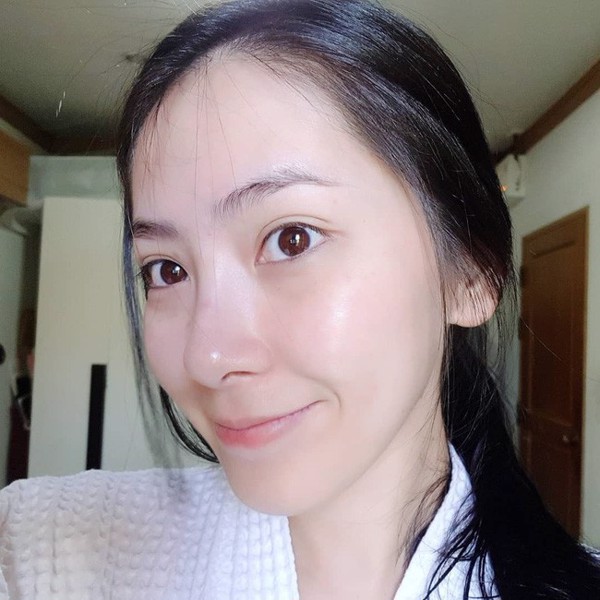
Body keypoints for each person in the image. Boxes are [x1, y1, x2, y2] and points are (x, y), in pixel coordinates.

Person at [1, 0, 598, 598]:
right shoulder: (52, 548)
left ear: (470, 274)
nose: (207, 358)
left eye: (292, 238)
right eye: (166, 270)